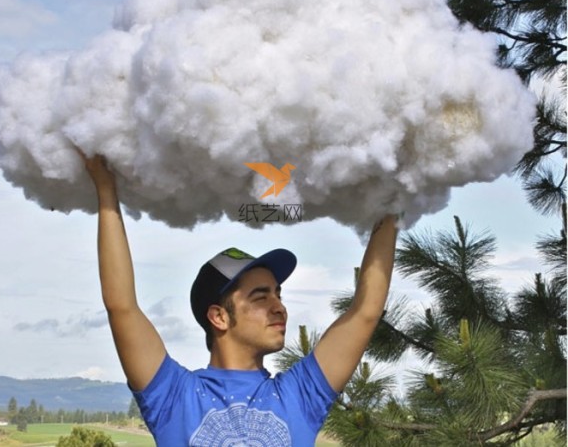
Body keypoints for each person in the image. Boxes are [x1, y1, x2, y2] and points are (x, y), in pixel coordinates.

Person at [82, 153, 398, 446]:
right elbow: (121, 305)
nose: (279, 307)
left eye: (278, 294)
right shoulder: (175, 398)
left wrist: (395, 197)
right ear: (219, 316)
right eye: (260, 297)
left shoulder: (299, 396)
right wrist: (105, 189)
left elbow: (365, 312)